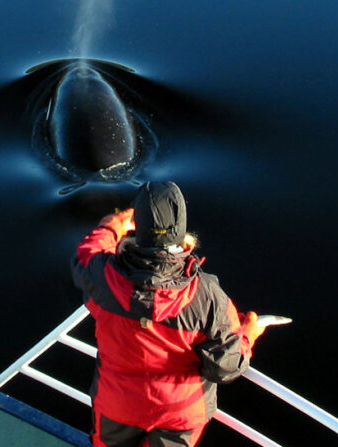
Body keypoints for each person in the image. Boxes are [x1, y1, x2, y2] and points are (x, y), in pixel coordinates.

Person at [71, 181, 267, 447]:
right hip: (180, 415)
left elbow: (86, 255)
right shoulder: (208, 296)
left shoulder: (104, 276)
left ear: (138, 228)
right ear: (182, 227)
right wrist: (247, 335)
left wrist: (111, 226)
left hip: (118, 405)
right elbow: (226, 367)